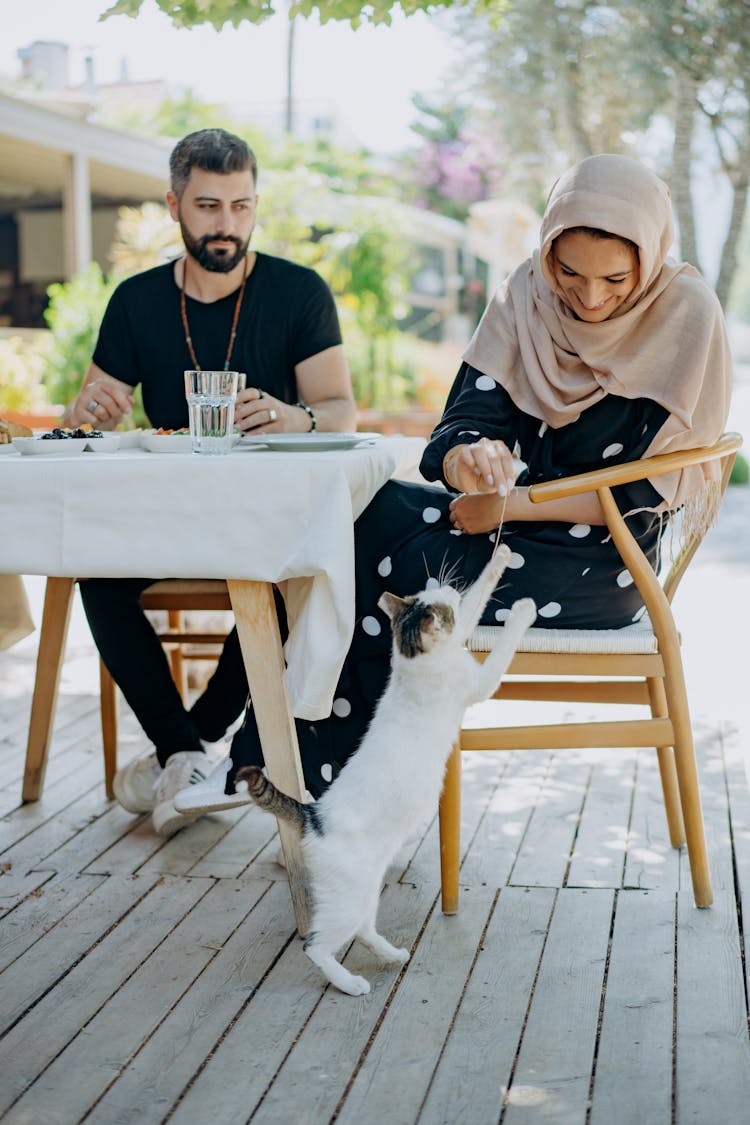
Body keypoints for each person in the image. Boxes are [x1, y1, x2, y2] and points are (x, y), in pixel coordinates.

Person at [176, 151, 732, 821]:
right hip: (511, 528)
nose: (588, 297)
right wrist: (466, 457)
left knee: (392, 571)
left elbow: (651, 488)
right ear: (548, 250)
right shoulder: (527, 296)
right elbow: (461, 421)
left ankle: (312, 782)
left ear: (652, 251)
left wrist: (509, 503)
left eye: (616, 277)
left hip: (604, 562)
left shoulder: (686, 313)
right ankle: (280, 762)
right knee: (353, 514)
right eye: (569, 271)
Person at [63, 128, 356, 836]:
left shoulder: (298, 291)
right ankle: (189, 752)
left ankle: (185, 745)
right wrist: (87, 411)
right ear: (174, 205)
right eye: (208, 205)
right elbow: (91, 412)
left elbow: (341, 409)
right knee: (95, 572)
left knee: (294, 573)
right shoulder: (135, 301)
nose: (226, 224)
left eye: (241, 205)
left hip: (266, 517)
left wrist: (292, 415)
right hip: (168, 514)